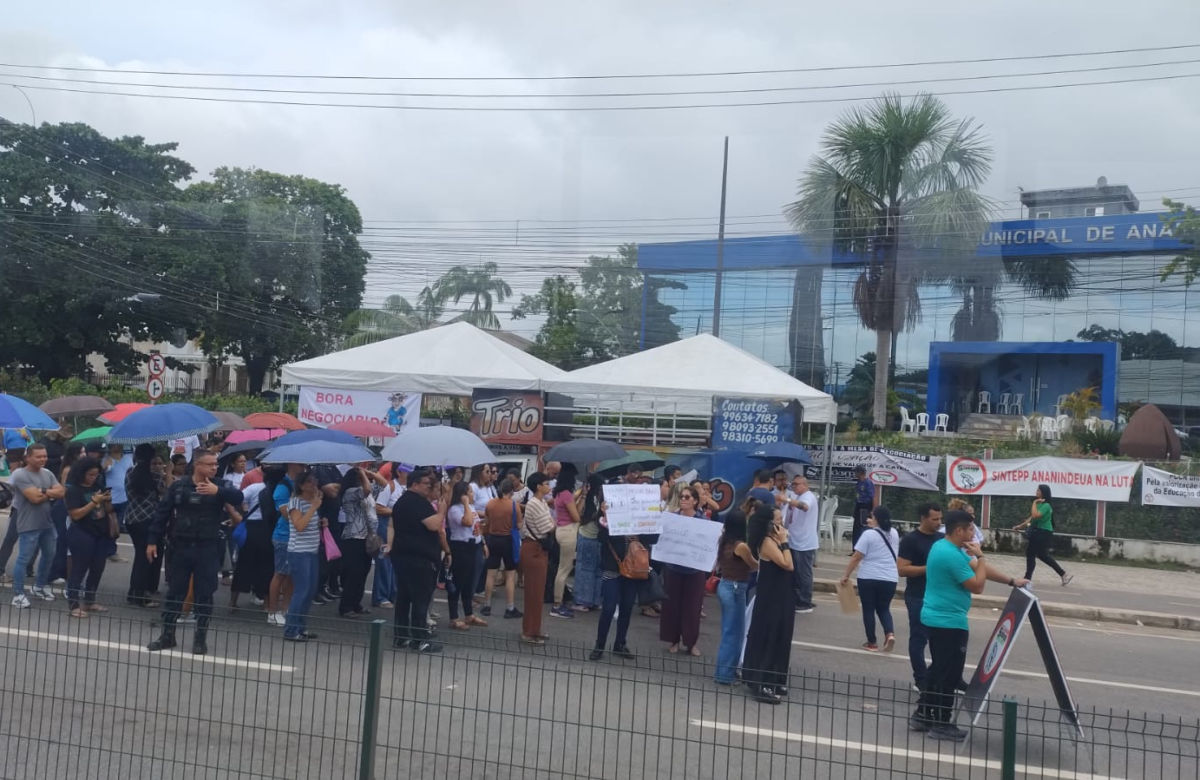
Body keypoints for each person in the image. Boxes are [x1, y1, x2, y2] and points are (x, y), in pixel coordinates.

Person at [911, 510, 1029, 741]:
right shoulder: (951, 555)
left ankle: (923, 714)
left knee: (938, 669)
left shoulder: (943, 547)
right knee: (949, 675)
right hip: (948, 622)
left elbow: (976, 568)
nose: (974, 535)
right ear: (959, 530)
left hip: (937, 618)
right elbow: (977, 585)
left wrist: (1012, 581)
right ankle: (941, 724)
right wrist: (982, 557)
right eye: (971, 531)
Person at [145, 450, 244, 655]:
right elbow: (162, 513)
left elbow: (238, 497)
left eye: (215, 464)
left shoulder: (220, 485)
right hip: (181, 547)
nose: (214, 468)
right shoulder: (179, 486)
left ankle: (200, 638)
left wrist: (218, 491)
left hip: (207, 548)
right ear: (197, 465)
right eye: (210, 464)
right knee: (174, 593)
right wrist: (152, 540)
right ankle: (167, 635)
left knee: (205, 595)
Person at [385, 467, 448, 653]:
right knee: (420, 600)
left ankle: (401, 636)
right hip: (419, 559)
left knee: (404, 599)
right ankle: (419, 639)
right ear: (415, 484)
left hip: (403, 556)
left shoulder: (402, 502)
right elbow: (434, 525)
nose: (429, 488)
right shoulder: (417, 503)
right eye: (426, 484)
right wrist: (441, 511)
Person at [742, 504, 795, 704]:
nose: (781, 523)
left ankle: (776, 677)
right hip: (771, 594)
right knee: (769, 635)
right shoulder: (766, 542)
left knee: (782, 633)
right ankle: (760, 680)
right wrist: (784, 542)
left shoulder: (775, 540)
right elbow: (787, 564)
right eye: (778, 520)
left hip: (783, 593)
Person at [9, 444, 66, 609]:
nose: (43, 459)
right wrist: (49, 493)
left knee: (49, 555)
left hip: (47, 522)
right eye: (39, 456)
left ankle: (39, 586)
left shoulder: (47, 473)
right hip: (28, 523)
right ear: (28, 457)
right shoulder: (20, 474)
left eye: (45, 456)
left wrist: (42, 491)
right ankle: (18, 594)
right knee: (23, 558)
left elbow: (61, 492)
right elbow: (34, 498)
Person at [896, 502, 943, 692]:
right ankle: (921, 679)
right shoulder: (910, 540)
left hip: (939, 596)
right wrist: (929, 568)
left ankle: (937, 676)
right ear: (923, 518)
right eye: (935, 519)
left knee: (940, 641)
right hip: (918, 596)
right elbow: (902, 569)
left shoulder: (942, 539)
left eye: (940, 518)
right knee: (919, 638)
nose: (939, 522)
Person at [660, 484, 711, 656]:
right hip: (674, 567)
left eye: (687, 497)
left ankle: (691, 643)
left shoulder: (703, 521)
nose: (683, 500)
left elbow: (708, 543)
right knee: (672, 605)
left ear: (695, 501)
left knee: (693, 607)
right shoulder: (671, 517)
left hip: (694, 570)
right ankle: (673, 640)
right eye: (682, 497)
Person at [63, 456, 118, 618]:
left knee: (98, 567)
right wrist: (94, 502)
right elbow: (75, 515)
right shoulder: (73, 490)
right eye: (90, 475)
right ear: (81, 473)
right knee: (79, 569)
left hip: (100, 532)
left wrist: (107, 500)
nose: (93, 478)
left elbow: (107, 510)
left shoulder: (98, 486)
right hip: (81, 532)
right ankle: (73, 604)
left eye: (96, 474)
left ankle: (90, 600)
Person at [840, 505, 900, 652]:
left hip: (869, 577)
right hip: (890, 578)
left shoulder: (868, 534)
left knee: (868, 609)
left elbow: (856, 557)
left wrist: (846, 575)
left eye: (872, 517)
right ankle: (889, 634)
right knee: (884, 608)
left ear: (877, 519)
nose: (869, 519)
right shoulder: (894, 533)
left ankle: (872, 642)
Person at [714, 510, 758, 685]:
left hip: (725, 584)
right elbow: (753, 565)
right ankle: (725, 674)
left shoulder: (724, 541)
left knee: (728, 631)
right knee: (734, 633)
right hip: (735, 588)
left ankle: (724, 671)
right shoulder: (741, 546)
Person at [281, 470, 323, 641]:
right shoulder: (295, 503)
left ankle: (301, 627)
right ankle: (291, 630)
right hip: (299, 552)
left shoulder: (314, 501)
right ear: (301, 486)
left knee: (310, 590)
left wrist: (320, 522)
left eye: (315, 481)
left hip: (312, 551)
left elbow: (310, 523)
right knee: (301, 590)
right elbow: (299, 525)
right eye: (310, 482)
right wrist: (314, 508)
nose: (314, 485)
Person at [589, 518, 638, 662]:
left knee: (627, 607)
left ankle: (620, 643)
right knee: (608, 608)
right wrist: (606, 519)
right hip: (612, 567)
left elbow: (653, 538)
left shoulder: (641, 514)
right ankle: (600, 645)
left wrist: (652, 520)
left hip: (633, 569)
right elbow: (601, 539)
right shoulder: (609, 516)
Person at [124, 444, 167, 607]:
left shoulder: (130, 472)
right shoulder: (155, 476)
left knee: (140, 557)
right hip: (148, 519)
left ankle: (134, 592)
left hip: (132, 518)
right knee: (146, 558)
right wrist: (167, 473)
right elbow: (165, 492)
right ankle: (140, 596)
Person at [337, 466, 383, 618]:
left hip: (367, 537)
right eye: (362, 478)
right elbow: (367, 490)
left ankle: (356, 603)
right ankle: (346, 606)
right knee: (354, 573)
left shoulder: (365, 491)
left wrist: (371, 473)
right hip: (354, 537)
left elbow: (384, 485)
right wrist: (363, 474)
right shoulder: (350, 493)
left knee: (363, 572)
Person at [229, 466, 273, 610]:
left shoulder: (255, 487)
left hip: (251, 527)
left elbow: (238, 498)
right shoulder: (279, 489)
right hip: (268, 528)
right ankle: (267, 602)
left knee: (243, 564)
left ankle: (233, 602)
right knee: (267, 566)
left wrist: (243, 511)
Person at [445, 480, 486, 631]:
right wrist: (465, 503)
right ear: (462, 494)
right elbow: (468, 522)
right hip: (460, 547)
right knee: (458, 583)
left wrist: (483, 543)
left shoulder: (471, 507)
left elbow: (476, 527)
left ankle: (469, 614)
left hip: (473, 545)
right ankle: (454, 617)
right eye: (469, 491)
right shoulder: (455, 509)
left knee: (469, 583)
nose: (472, 493)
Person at [519, 472, 555, 645]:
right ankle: (529, 631)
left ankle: (535, 629)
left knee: (538, 592)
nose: (549, 486)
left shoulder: (541, 503)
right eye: (546, 483)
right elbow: (546, 526)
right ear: (538, 486)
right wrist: (552, 523)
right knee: (533, 592)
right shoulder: (534, 503)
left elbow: (550, 523)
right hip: (533, 548)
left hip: (538, 548)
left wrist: (551, 523)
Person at [1014, 484, 1073, 586]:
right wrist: (1020, 526)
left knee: (1031, 553)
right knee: (1042, 555)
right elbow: (1031, 519)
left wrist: (1034, 502)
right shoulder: (1039, 504)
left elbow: (1035, 515)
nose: (1036, 491)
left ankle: (1027, 578)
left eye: (1038, 490)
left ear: (1043, 493)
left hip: (1043, 532)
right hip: (1039, 532)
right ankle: (1063, 574)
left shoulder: (1046, 506)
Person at [482, 478, 523, 619]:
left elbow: (487, 522)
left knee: (491, 574)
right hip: (508, 541)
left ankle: (486, 605)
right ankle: (510, 607)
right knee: (510, 575)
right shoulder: (514, 505)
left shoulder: (490, 503)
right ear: (511, 491)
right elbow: (518, 526)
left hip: (493, 539)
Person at [266, 464, 301, 626]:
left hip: (297, 536)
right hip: (284, 536)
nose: (304, 467)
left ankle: (286, 609)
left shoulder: (301, 483)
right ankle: (272, 612)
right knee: (280, 573)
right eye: (301, 464)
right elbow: (286, 515)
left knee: (291, 575)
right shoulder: (283, 486)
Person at [781, 474, 818, 614]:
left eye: (796, 484)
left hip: (804, 542)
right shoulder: (799, 497)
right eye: (793, 484)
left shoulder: (808, 496)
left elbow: (805, 507)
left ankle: (805, 601)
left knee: (804, 573)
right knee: (796, 572)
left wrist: (787, 499)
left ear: (804, 485)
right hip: (796, 540)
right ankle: (799, 598)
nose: (794, 486)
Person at [550, 465, 581, 619]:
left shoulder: (558, 493)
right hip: (568, 531)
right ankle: (557, 604)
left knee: (562, 568)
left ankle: (557, 602)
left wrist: (580, 496)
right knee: (564, 570)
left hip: (560, 530)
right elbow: (576, 517)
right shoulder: (567, 494)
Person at [372, 464, 404, 609]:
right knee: (385, 562)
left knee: (396, 562)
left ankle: (393, 593)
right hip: (385, 527)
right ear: (399, 471)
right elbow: (379, 507)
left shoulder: (408, 488)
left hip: (399, 528)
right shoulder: (390, 487)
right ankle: (381, 596)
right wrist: (395, 512)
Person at [573, 474, 606, 613]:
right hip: (593, 538)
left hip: (592, 537)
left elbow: (580, 516)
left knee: (591, 570)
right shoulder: (598, 500)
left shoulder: (596, 500)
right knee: (592, 570)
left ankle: (588, 601)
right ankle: (589, 601)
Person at [852, 465, 875, 549]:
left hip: (865, 507)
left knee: (863, 527)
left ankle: (862, 548)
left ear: (861, 472)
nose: (855, 474)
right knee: (856, 528)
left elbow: (871, 497)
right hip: (858, 506)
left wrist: (871, 510)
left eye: (856, 472)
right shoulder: (858, 482)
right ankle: (854, 548)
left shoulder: (868, 483)